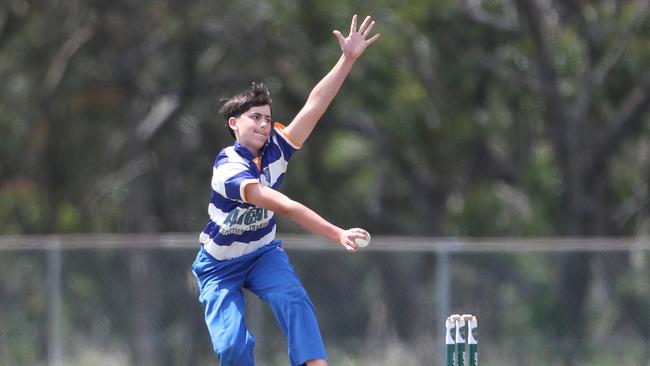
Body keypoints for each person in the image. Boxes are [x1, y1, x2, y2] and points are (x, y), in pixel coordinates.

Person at [191, 14, 379, 366]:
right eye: (254, 118)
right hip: (218, 265)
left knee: (295, 301)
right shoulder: (229, 168)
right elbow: (287, 207)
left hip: (263, 254)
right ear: (234, 124)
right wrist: (336, 233)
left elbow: (315, 105)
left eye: (267, 117)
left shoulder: (277, 147)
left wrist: (347, 58)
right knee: (232, 347)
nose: (263, 124)